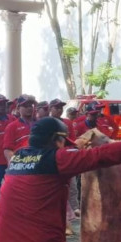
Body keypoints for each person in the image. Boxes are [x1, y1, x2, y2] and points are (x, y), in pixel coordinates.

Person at [50, 98, 79, 234]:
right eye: (56, 107)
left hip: (66, 158)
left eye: (61, 107)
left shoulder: (67, 123)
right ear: (51, 109)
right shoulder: (47, 123)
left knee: (71, 186)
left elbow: (71, 141)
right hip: (51, 161)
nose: (59, 110)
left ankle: (73, 213)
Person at [2, 95, 35, 162]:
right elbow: (7, 149)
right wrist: (14, 163)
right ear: (18, 108)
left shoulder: (40, 124)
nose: (29, 108)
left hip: (38, 163)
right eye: (25, 106)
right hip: (21, 164)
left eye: (31, 105)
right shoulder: (12, 127)